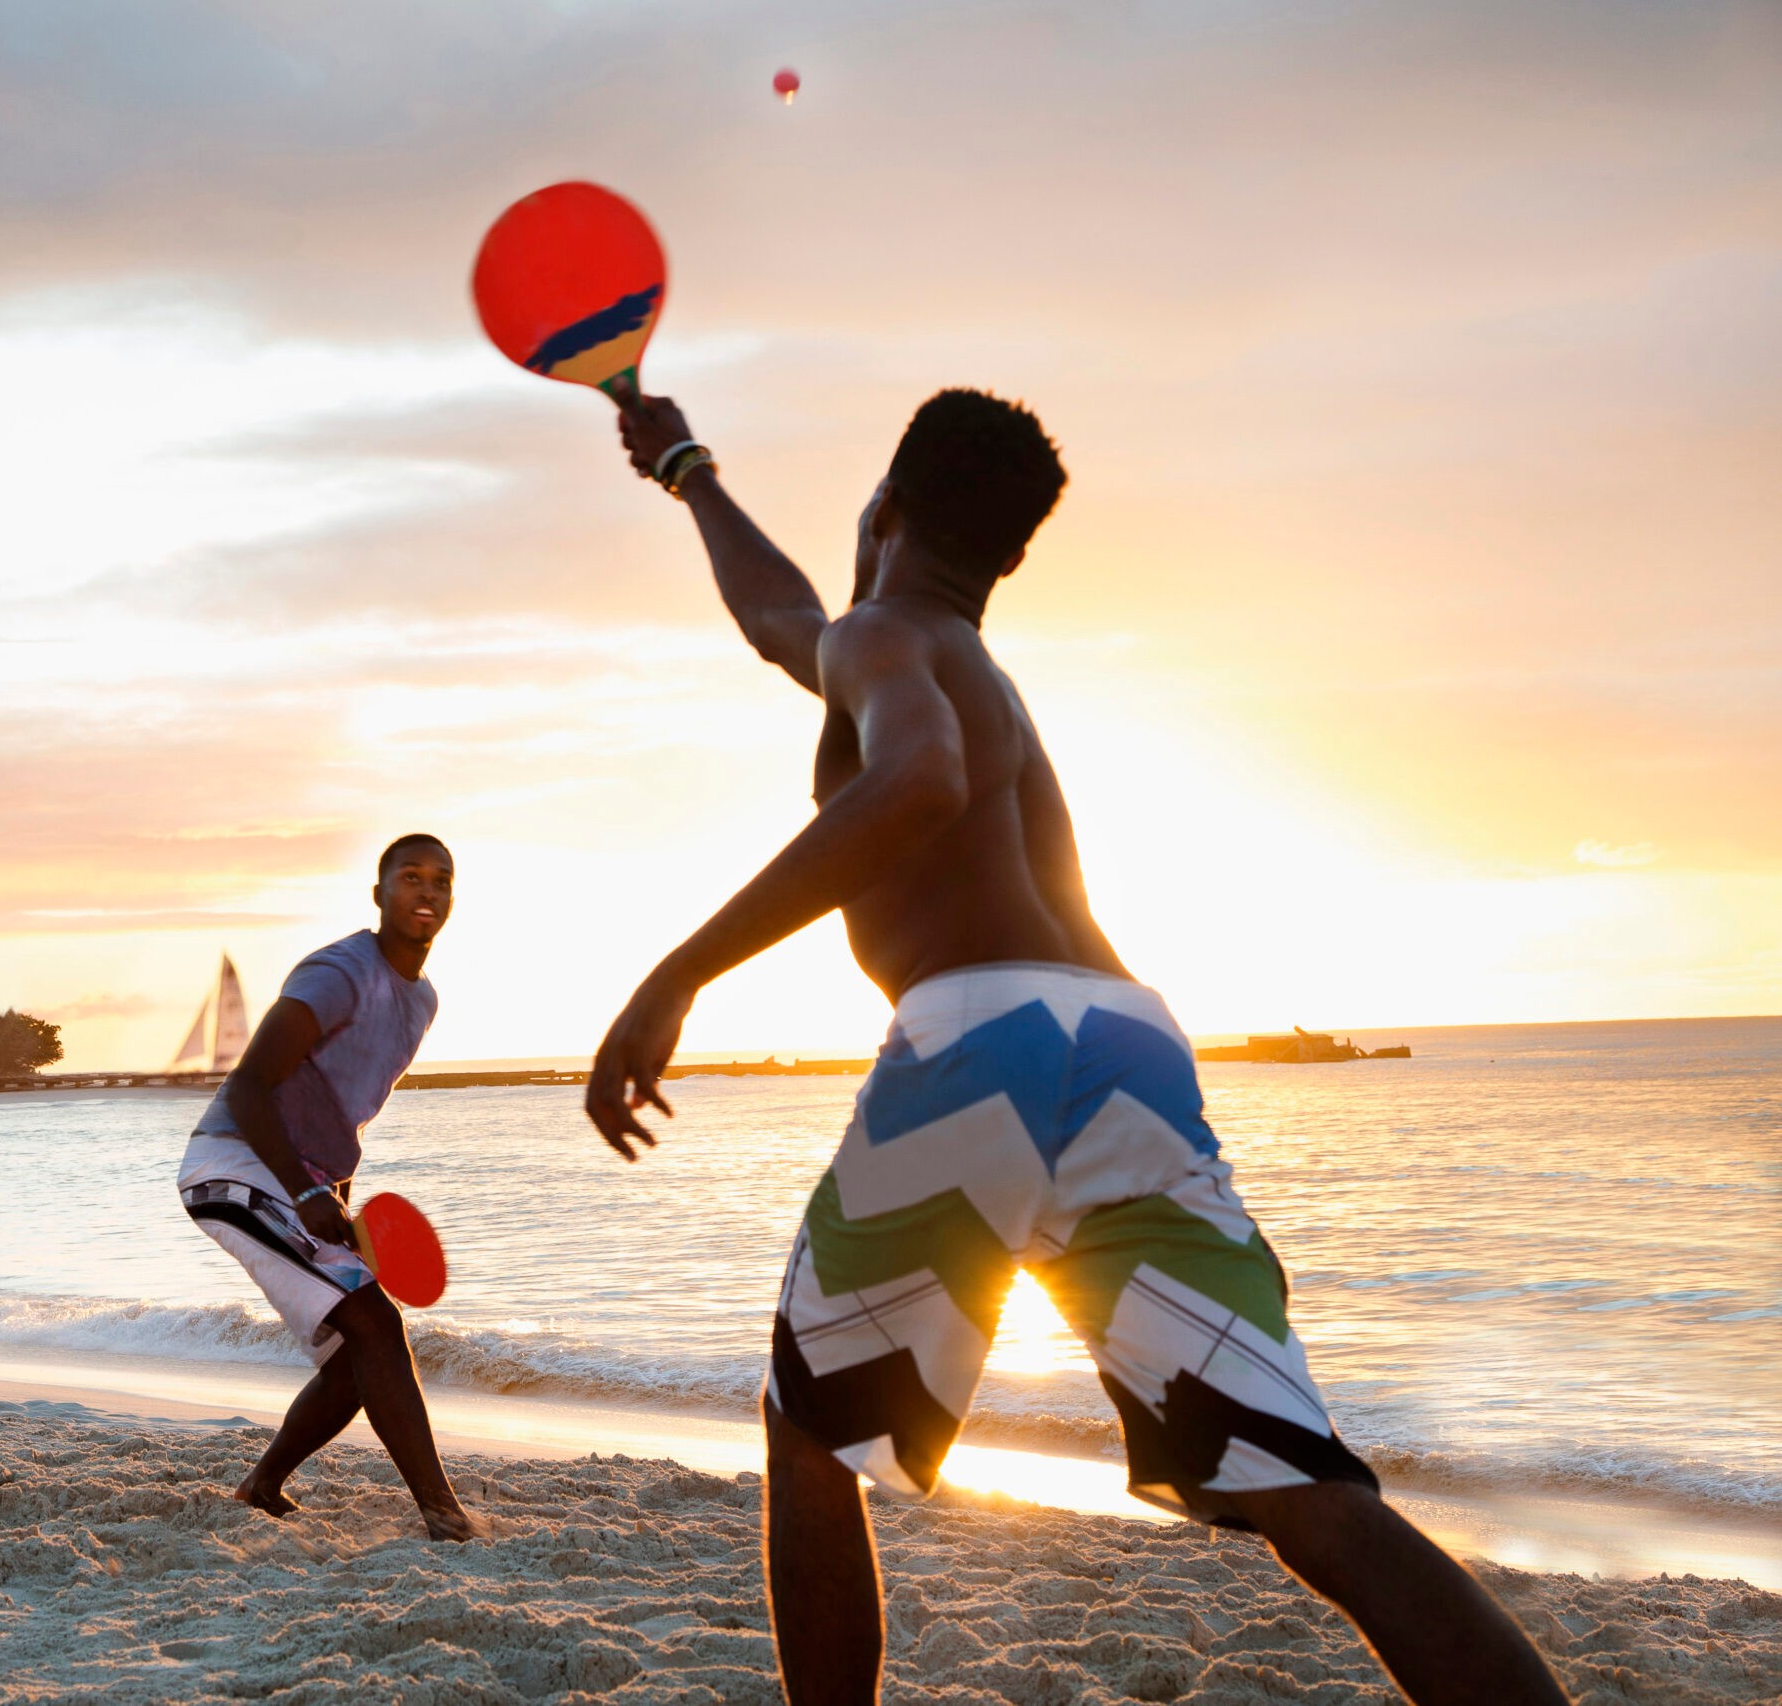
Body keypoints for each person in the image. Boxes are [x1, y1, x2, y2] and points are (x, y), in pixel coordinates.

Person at [584, 391, 1567, 1705]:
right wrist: (689, 473)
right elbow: (783, 622)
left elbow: (914, 773)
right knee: (1305, 1488)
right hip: (1132, 1043)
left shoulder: (886, 646)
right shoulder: (963, 671)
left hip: (981, 1028)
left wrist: (675, 973)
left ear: (883, 507)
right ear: (1008, 553)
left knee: (812, 1428)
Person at [176, 833, 479, 1541]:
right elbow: (251, 1086)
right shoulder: (342, 971)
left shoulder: (421, 999)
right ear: (378, 894)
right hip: (230, 1162)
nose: (426, 891)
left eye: (441, 879)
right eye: (409, 877)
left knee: (356, 1356)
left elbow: (341, 1112)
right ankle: (445, 1514)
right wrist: (307, 1194)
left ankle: (260, 1484)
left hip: (301, 1179)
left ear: (452, 900)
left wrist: (334, 1197)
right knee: (377, 1323)